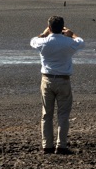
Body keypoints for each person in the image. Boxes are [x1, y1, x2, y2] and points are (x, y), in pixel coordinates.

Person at [30, 15, 85, 154]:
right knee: (63, 114)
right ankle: (61, 145)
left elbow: (33, 41)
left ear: (49, 28)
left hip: (47, 79)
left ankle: (47, 145)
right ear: (62, 28)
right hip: (63, 80)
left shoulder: (43, 42)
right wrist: (72, 34)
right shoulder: (68, 43)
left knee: (46, 114)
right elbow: (81, 42)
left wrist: (44, 33)